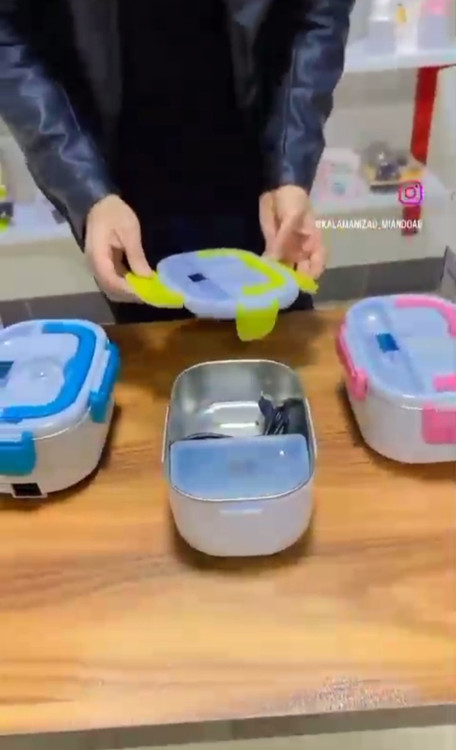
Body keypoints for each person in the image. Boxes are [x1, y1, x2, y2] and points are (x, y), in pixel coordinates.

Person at [0, 0, 354, 322]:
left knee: (281, 334)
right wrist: (85, 190)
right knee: (155, 341)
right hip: (118, 175)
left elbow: (319, 13)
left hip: (259, 158)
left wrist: (290, 164)